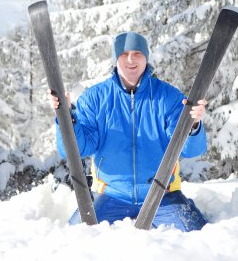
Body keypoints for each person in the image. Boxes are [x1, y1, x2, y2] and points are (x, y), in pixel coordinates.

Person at [48, 31, 208, 231]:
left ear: (146, 58)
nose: (131, 59)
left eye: (137, 54)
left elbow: (189, 150)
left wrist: (192, 126)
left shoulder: (169, 97)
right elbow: (75, 149)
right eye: (124, 54)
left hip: (162, 196)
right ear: (116, 59)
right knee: (76, 236)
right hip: (111, 196)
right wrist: (66, 119)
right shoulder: (95, 98)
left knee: (200, 238)